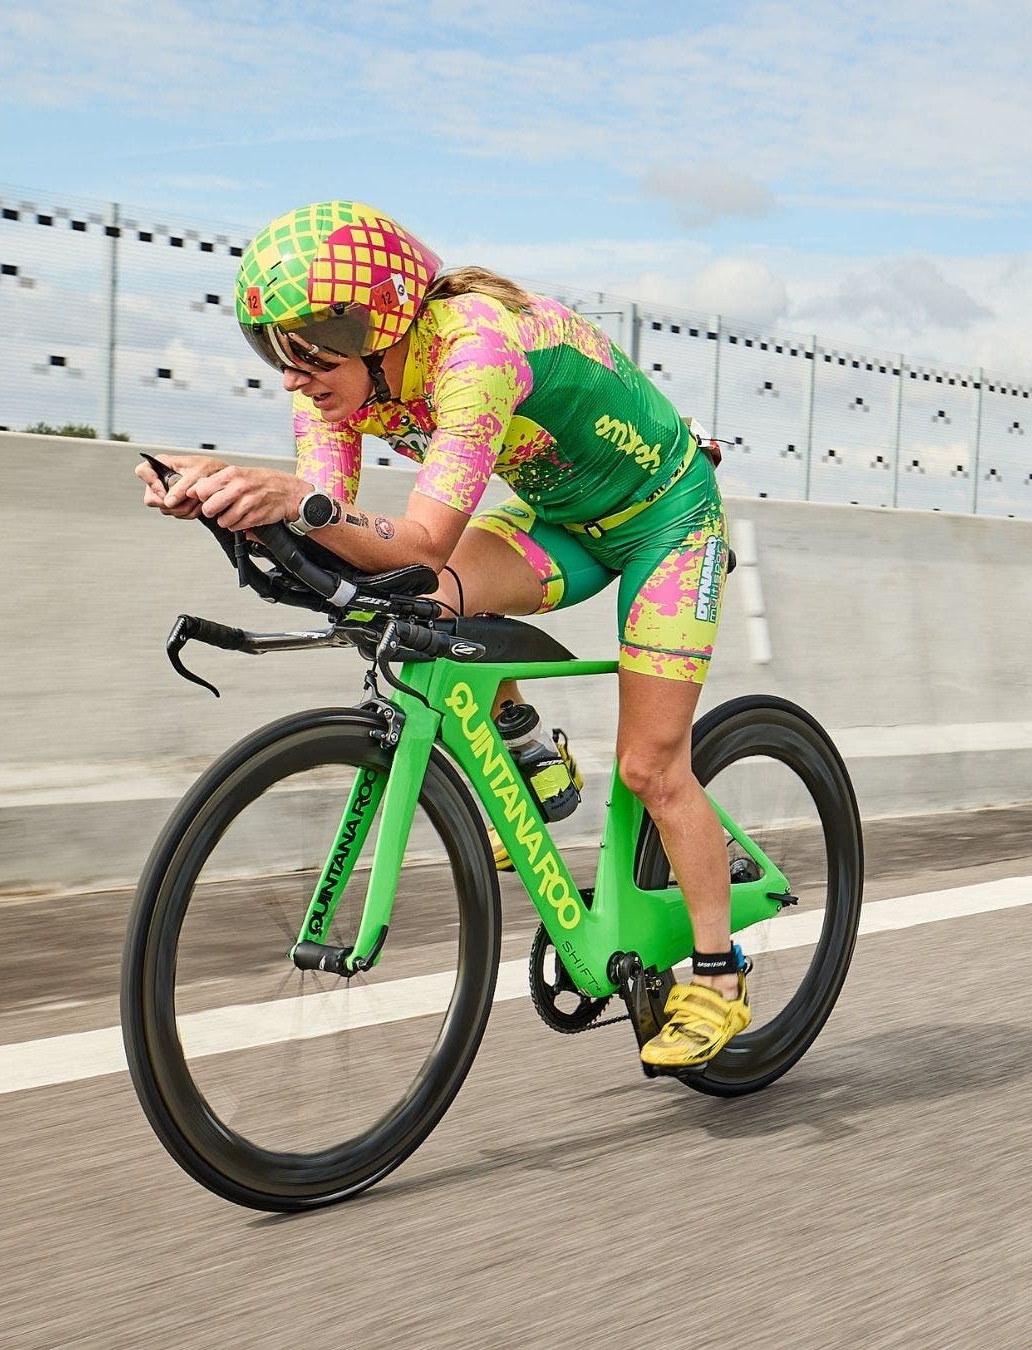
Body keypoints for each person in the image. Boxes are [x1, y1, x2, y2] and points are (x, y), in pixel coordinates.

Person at [136, 201, 743, 1068]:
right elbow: (338, 532)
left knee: (651, 766)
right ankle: (530, 749)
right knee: (421, 606)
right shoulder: (339, 390)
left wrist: (290, 501)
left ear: (379, 325)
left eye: (307, 350)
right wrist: (223, 495)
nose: (290, 375)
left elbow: (416, 540)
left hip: (669, 522)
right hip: (565, 521)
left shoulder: (476, 354)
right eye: (273, 350)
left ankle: (719, 975)